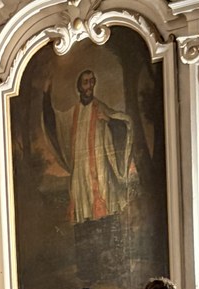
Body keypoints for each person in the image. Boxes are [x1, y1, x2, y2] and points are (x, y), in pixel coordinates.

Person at [42, 69, 134, 225]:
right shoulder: (73, 113)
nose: (89, 86)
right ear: (79, 87)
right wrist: (46, 95)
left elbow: (125, 125)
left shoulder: (100, 108)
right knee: (83, 221)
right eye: (86, 82)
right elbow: (53, 122)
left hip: (101, 172)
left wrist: (109, 121)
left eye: (92, 82)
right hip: (80, 175)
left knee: (105, 219)